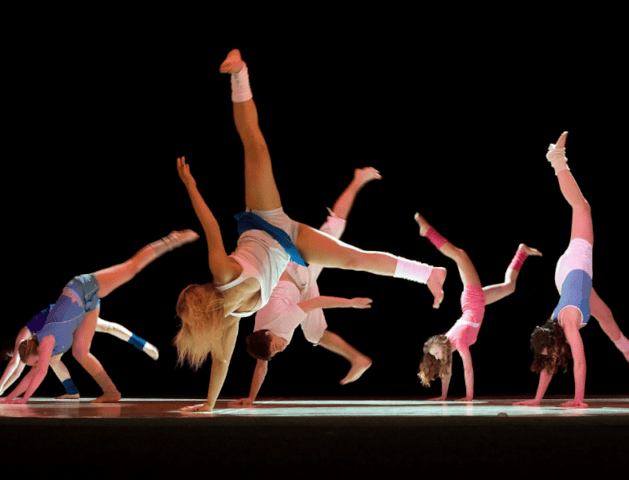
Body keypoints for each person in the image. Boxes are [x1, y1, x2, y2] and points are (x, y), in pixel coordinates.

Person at [174, 49, 447, 412]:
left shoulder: (223, 276)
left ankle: (239, 72)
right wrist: (208, 406)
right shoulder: (232, 319)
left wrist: (190, 185)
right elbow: (222, 363)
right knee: (353, 260)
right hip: (291, 245)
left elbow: (210, 225)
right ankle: (430, 272)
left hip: (265, 221)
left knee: (256, 149)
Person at [229, 167, 380, 407]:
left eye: (277, 347)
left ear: (268, 333)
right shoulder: (262, 336)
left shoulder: (281, 324)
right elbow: (262, 366)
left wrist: (350, 303)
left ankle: (358, 179)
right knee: (313, 334)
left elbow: (316, 303)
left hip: (298, 272)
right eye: (277, 350)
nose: (281, 349)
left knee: (333, 232)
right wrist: (251, 398)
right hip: (299, 289)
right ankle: (358, 359)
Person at [514, 132, 629, 409]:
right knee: (604, 315)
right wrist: (536, 399)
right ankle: (625, 347)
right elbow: (548, 365)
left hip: (574, 268)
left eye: (552, 351)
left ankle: (557, 160)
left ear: (556, 337)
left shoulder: (568, 323)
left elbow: (580, 360)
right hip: (568, 282)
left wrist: (579, 400)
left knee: (582, 207)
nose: (554, 357)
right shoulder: (553, 328)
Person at [1, 230, 198, 404]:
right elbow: (34, 373)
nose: (35, 365)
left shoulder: (45, 341)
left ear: (35, 352)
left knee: (131, 268)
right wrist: (10, 398)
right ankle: (111, 392)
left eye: (34, 362)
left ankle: (172, 239)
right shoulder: (45, 348)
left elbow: (38, 371)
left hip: (80, 288)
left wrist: (23, 399)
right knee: (80, 352)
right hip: (81, 309)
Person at [416, 213, 541, 401]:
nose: (437, 357)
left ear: (441, 345)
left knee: (459, 255)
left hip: (472, 300)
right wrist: (443, 396)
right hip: (476, 303)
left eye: (435, 353)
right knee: (509, 287)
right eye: (435, 355)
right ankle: (522, 252)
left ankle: (428, 232)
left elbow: (468, 369)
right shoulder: (450, 349)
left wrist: (468, 397)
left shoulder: (457, 341)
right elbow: (447, 373)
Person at [0, 316, 159, 400]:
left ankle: (142, 344)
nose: (14, 358)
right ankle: (72, 391)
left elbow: (15, 366)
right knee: (53, 360)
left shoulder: (24, 337)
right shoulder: (27, 350)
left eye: (11, 355)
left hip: (68, 321)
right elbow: (17, 371)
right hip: (60, 335)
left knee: (106, 327)